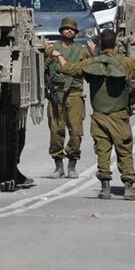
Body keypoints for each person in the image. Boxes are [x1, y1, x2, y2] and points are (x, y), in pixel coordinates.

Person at [50, 28, 135, 200]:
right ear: (115, 44)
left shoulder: (91, 63)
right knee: (124, 150)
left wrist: (59, 55)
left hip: (98, 116)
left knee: (103, 151)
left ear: (100, 45)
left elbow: (67, 69)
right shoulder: (125, 62)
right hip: (119, 116)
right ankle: (128, 187)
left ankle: (105, 187)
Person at [43, 18, 91, 179]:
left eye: (72, 29)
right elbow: (42, 67)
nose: (69, 31)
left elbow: (90, 69)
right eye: (66, 28)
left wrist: (93, 52)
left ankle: (72, 164)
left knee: (76, 131)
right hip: (56, 94)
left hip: (75, 94)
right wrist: (47, 52)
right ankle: (58, 165)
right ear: (61, 31)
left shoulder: (81, 51)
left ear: (76, 33)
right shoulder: (52, 49)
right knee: (56, 131)